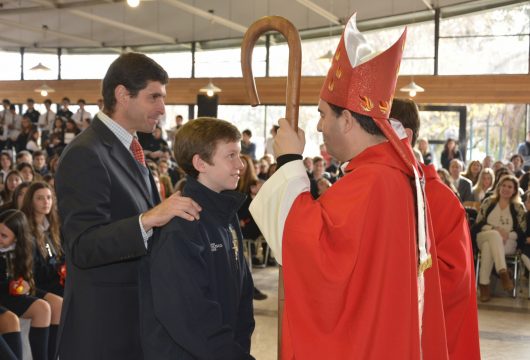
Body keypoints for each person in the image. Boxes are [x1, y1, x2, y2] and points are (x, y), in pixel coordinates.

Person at [250, 15, 448, 359]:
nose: (319, 126)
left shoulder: (373, 181)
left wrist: (288, 162)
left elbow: (311, 252)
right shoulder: (389, 173)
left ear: (347, 119)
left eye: (324, 114)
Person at [54, 52, 201, 360]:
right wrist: (148, 219)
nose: (162, 108)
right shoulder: (86, 153)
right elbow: (83, 245)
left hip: (134, 321)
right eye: (154, 97)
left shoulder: (129, 146)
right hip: (103, 330)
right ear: (122, 95)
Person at [140, 117, 255, 359]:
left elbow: (242, 292)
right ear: (200, 163)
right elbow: (190, 315)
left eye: (240, 154)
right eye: (231, 155)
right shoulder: (183, 224)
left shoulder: (226, 214)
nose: (241, 165)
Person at [390, 98, 480, 359]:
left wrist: (392, 275)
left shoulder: (440, 198)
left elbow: (455, 278)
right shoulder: (380, 187)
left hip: (429, 335)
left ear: (402, 134)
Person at [0, 209, 63, 360]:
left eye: (4, 236)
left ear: (17, 238)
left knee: (56, 305)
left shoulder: (27, 246)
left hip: (16, 291)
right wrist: (10, 286)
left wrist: (26, 284)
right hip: (3, 291)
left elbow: (32, 274)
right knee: (41, 308)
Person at [472, 175, 526, 302]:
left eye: (510, 187)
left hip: (508, 242)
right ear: (499, 187)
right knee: (494, 236)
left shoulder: (518, 207)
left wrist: (508, 235)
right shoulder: (488, 202)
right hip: (484, 236)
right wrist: (495, 229)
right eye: (504, 185)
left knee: (488, 247)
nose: (506, 189)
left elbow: (522, 231)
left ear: (514, 190)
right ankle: (503, 272)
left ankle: (484, 286)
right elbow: (477, 225)